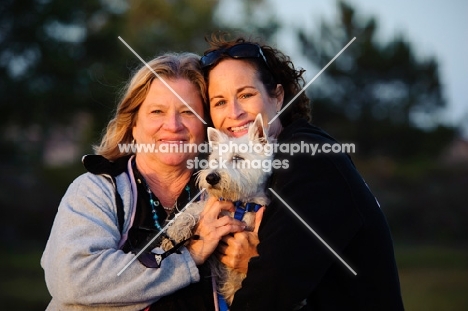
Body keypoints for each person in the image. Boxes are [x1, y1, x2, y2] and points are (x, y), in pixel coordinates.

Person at [201, 34, 405, 310]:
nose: (234, 112)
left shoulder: (306, 157)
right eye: (219, 102)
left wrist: (258, 261)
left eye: (246, 95)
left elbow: (272, 288)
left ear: (278, 97)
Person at [41, 52, 246, 310]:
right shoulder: (97, 190)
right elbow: (73, 279)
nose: (172, 125)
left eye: (187, 111)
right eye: (157, 111)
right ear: (134, 125)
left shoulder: (226, 198)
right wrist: (190, 257)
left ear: (207, 128)